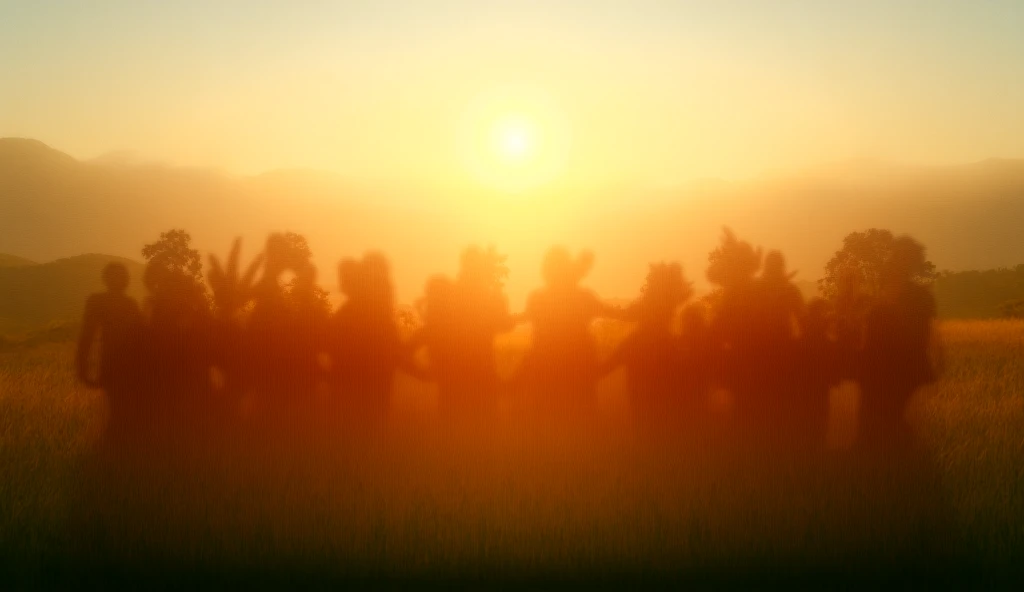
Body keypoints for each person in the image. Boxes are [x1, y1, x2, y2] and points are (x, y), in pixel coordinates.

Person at [515, 247, 625, 419]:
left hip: (548, 375)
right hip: (577, 374)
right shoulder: (582, 297)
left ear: (547, 271)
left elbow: (530, 335)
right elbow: (614, 312)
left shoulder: (538, 299)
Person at [858, 237, 938, 455]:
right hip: (906, 366)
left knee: (885, 414)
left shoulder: (901, 296)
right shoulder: (920, 296)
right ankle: (903, 456)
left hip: (894, 367)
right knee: (889, 414)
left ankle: (898, 456)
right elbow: (930, 335)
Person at [602, 263, 691, 433]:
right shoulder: (672, 345)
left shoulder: (636, 342)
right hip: (666, 423)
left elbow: (602, 369)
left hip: (648, 417)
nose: (672, 314)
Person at [76, 262, 145, 444]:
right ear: (106, 279)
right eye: (113, 276)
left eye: (121, 276)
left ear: (126, 281)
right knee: (117, 410)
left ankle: (117, 450)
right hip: (112, 365)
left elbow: (141, 337)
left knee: (125, 412)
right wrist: (82, 367)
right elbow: (87, 334)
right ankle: (114, 450)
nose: (117, 280)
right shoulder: (97, 301)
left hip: (132, 366)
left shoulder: (131, 304)